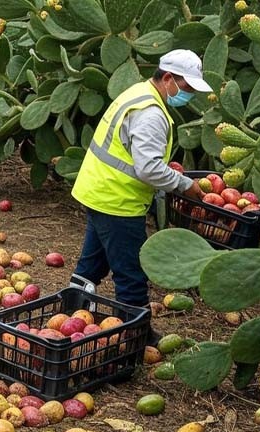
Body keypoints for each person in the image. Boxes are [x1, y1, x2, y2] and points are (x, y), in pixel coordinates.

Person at [69, 49, 209, 320]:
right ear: (168, 78)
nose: (190, 94)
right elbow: (149, 169)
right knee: (131, 275)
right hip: (118, 200)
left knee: (91, 265)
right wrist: (183, 184)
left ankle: (71, 315)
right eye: (187, 88)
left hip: (98, 190)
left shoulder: (138, 92)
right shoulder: (151, 113)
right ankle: (137, 334)